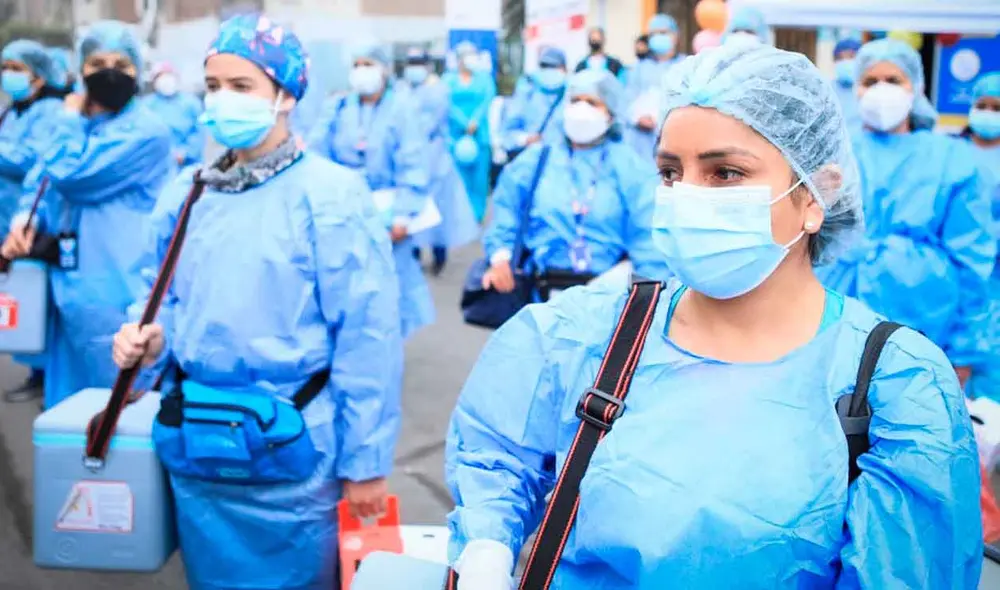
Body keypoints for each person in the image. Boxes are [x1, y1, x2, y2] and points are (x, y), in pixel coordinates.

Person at [446, 41, 982, 589]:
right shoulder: (593, 334)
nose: (687, 197)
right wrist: (488, 546)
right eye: (670, 172)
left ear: (816, 194)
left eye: (725, 173)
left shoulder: (894, 384)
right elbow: (498, 454)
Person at [111, 14, 402, 589]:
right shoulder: (187, 194)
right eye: (213, 86)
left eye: (242, 87)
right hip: (200, 443)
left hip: (294, 450)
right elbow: (158, 298)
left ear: (286, 95)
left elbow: (367, 338)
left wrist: (365, 464)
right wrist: (146, 344)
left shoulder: (332, 197)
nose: (222, 100)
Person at [2, 20, 173, 409]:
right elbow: (40, 177)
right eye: (97, 63)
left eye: (121, 64)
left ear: (138, 72)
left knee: (117, 412)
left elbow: (70, 173)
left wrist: (67, 118)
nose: (109, 72)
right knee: (68, 409)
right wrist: (24, 219)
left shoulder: (146, 132)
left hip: (116, 288)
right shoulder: (83, 126)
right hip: (67, 283)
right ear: (81, 71)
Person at [817, 39, 995, 391]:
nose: (881, 90)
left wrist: (964, 352)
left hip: (926, 327)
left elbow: (972, 264)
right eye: (870, 81)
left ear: (916, 88)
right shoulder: (832, 156)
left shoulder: (953, 160)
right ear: (856, 89)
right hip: (833, 323)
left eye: (893, 80)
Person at [481, 69, 668, 301]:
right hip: (539, 294)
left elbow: (648, 235)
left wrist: (646, 291)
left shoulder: (630, 168)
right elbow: (507, 208)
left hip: (607, 298)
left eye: (591, 102)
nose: (581, 109)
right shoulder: (536, 160)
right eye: (575, 100)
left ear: (611, 113)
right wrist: (500, 258)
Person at [308, 41, 436, 340]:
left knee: (389, 291)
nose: (361, 72)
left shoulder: (402, 109)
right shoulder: (338, 108)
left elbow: (413, 162)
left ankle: (387, 347)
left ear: (384, 70)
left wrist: (403, 214)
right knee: (343, 286)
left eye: (369, 65)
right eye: (356, 65)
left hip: (389, 216)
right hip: (343, 213)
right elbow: (317, 155)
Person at [0, 40, 65, 402]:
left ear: (38, 77)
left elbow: (33, 160)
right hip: (8, 216)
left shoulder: (51, 111)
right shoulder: (14, 111)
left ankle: (43, 375)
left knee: (40, 301)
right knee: (20, 298)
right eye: (5, 66)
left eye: (16, 67)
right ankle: (35, 370)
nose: (8, 75)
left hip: (33, 221)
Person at [402, 47, 479, 275]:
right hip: (411, 157)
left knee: (438, 207)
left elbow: (434, 122)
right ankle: (413, 255)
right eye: (410, 63)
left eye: (418, 63)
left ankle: (439, 255)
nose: (414, 68)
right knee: (412, 207)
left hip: (436, 157)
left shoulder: (439, 91)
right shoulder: (402, 91)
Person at [966, 71, 1000, 402]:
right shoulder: (949, 156)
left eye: (996, 106)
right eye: (982, 105)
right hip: (955, 284)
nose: (988, 112)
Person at [444, 41, 495, 223]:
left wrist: (475, 121)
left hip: (480, 135)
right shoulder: (448, 79)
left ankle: (477, 215)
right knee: (460, 179)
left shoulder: (484, 79)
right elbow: (446, 104)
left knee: (479, 180)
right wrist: (464, 122)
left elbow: (487, 99)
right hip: (456, 136)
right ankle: (461, 215)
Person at [623, 14, 684, 158]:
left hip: (676, 136)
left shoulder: (686, 65)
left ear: (676, 36)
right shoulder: (637, 68)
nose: (658, 37)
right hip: (641, 141)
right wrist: (638, 117)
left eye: (663, 33)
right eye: (653, 34)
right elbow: (626, 100)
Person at [500, 47, 568, 162]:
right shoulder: (571, 86)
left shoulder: (527, 84)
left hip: (529, 160)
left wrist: (525, 139)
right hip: (562, 162)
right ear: (563, 67)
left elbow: (507, 132)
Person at [142, 62, 204, 167]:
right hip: (156, 164)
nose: (166, 80)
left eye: (169, 75)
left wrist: (185, 153)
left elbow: (199, 132)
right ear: (154, 81)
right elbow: (143, 134)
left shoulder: (191, 103)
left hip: (188, 165)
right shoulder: (146, 105)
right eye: (160, 76)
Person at [832, 39, 862, 132]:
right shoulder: (827, 89)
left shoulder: (869, 89)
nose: (845, 61)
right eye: (840, 58)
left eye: (851, 56)